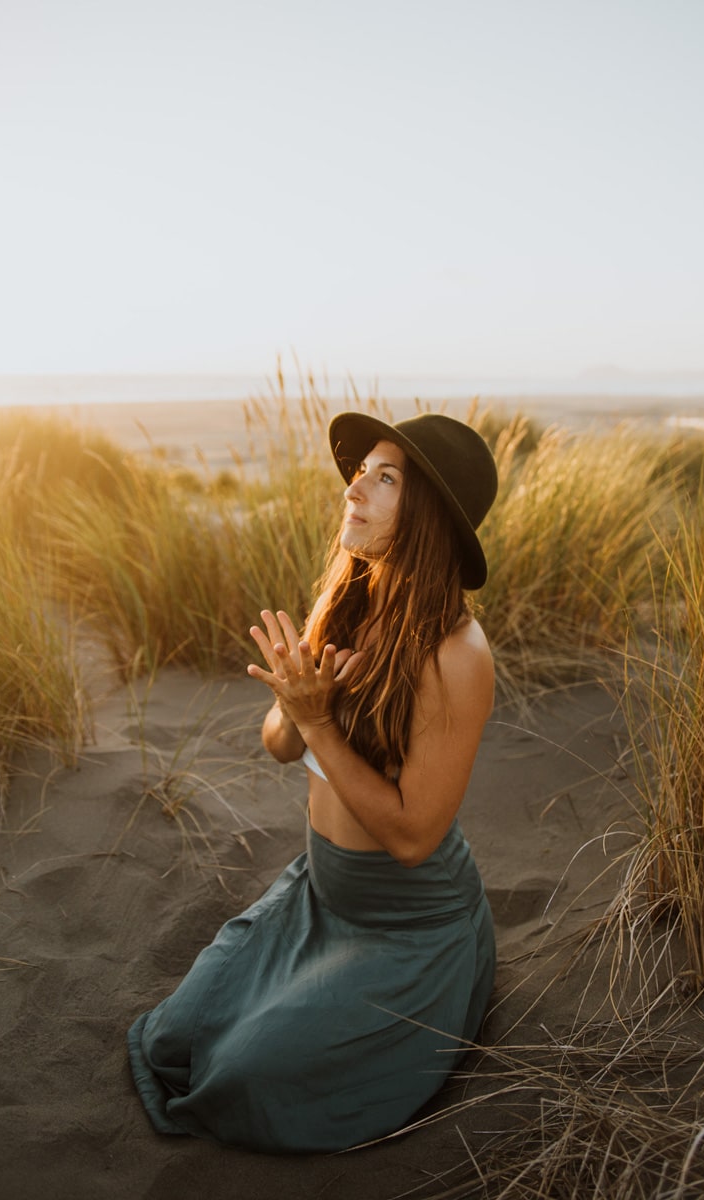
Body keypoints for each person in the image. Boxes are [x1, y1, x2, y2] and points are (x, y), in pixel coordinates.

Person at [127, 410, 498, 1153]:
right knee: (172, 1041)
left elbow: (413, 836)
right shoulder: (348, 598)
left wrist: (321, 725)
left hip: (408, 925)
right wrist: (302, 710)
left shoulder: (458, 654)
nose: (354, 487)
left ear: (426, 514)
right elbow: (276, 741)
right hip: (320, 894)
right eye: (360, 471)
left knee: (243, 1076)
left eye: (384, 477)